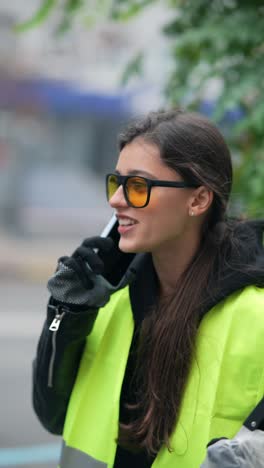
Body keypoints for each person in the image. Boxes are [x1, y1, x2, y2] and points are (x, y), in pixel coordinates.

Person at [32, 109, 264, 468]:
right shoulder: (106, 297)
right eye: (117, 182)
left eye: (138, 186)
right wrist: (64, 315)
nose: (116, 200)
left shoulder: (254, 313)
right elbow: (52, 415)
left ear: (199, 200)